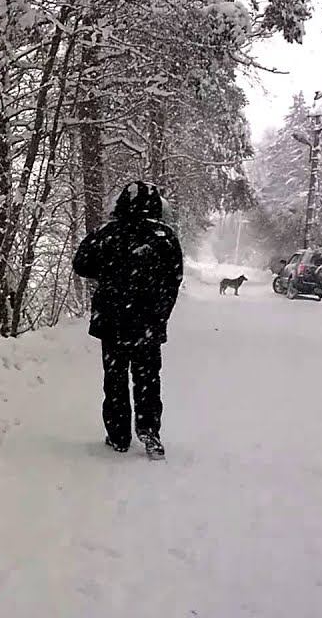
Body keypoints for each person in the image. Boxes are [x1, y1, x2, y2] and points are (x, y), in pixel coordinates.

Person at [71, 181, 183, 459]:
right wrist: (160, 314)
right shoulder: (164, 236)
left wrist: (109, 271)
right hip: (147, 323)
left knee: (115, 378)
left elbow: (81, 264)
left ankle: (118, 435)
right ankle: (149, 433)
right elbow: (174, 279)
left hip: (113, 321)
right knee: (148, 379)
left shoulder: (106, 233)